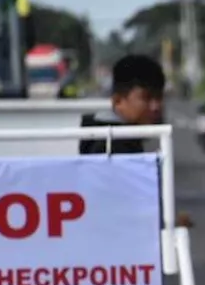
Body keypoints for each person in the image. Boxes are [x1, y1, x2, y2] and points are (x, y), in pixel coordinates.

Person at [79, 54, 191, 227]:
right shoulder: (111, 149)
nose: (155, 107)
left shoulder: (118, 140)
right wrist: (168, 222)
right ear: (117, 101)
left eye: (159, 98)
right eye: (146, 98)